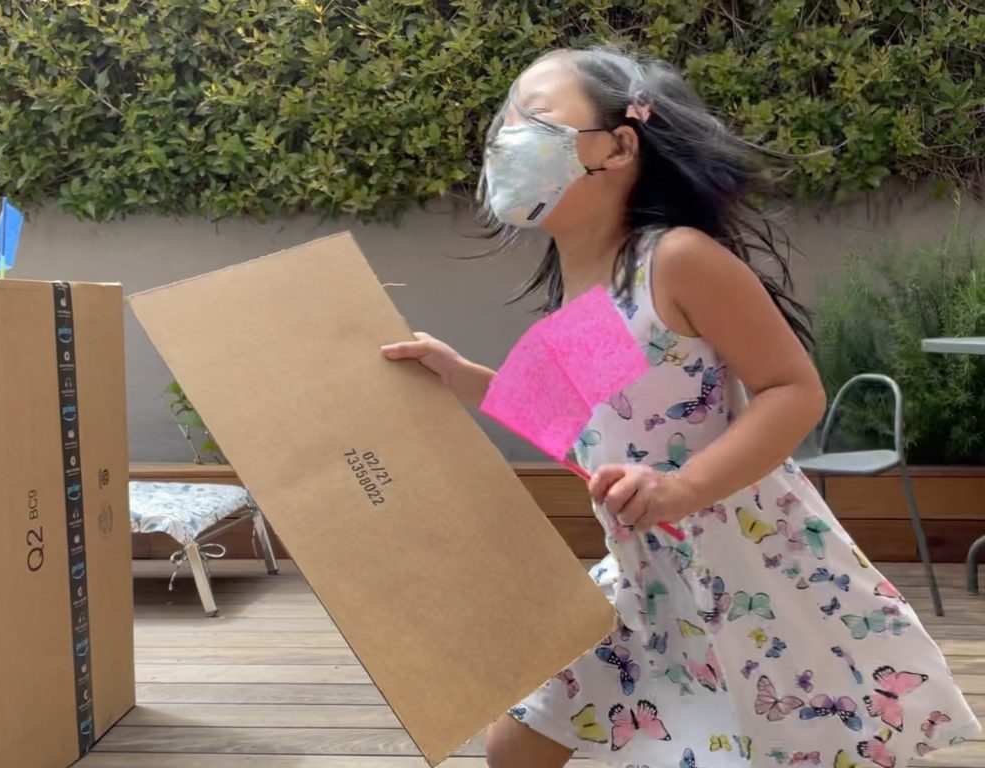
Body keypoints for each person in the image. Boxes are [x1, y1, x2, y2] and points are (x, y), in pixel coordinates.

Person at [381, 47, 981, 768]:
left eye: (534, 119)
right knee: (513, 744)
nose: (505, 140)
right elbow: (557, 417)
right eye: (502, 124)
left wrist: (682, 488)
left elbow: (793, 390)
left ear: (618, 147)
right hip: (642, 574)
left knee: (750, 744)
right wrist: (457, 374)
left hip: (739, 564)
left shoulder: (674, 261)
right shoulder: (586, 293)